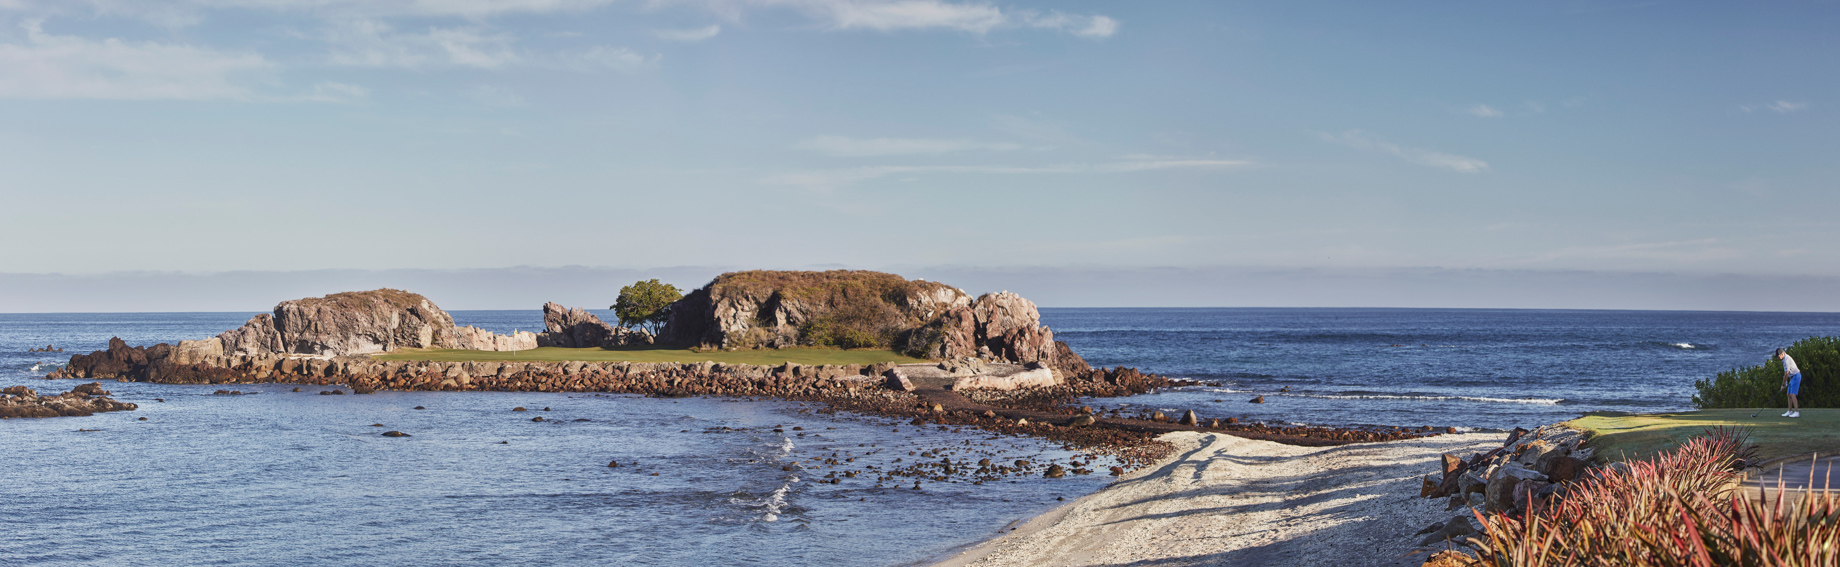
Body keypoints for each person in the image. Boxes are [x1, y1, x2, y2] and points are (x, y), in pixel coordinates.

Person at [1777, 348, 1801, 418]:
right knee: (1788, 394)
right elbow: (1787, 373)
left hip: (1796, 376)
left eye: (1778, 356)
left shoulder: (1787, 359)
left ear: (1782, 354)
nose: (1778, 358)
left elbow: (1786, 373)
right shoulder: (1784, 359)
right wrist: (1786, 382)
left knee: (1793, 394)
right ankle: (1790, 411)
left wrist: (1783, 385)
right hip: (1792, 377)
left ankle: (1797, 412)